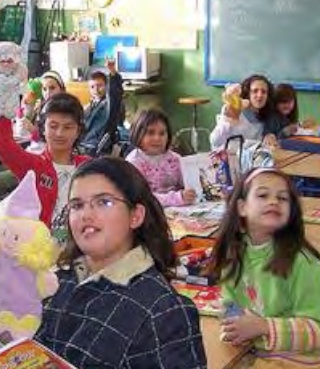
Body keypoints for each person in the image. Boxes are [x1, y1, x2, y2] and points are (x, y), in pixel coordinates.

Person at [34, 157, 207, 368]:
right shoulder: (63, 279)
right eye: (77, 205)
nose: (86, 214)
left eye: (103, 202)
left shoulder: (164, 311)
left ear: (136, 215)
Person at [208, 168, 320, 368]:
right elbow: (229, 302)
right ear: (242, 207)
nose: (274, 201)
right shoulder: (234, 256)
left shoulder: (303, 263)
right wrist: (234, 325)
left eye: (282, 198)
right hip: (256, 354)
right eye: (263, 195)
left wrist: (263, 327)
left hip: (299, 362)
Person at [0, 93, 90, 240]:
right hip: (40, 247)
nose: (59, 133)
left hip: (80, 243)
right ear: (42, 128)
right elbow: (3, 147)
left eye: (68, 127)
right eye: (53, 126)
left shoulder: (88, 166)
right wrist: (2, 103)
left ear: (78, 131)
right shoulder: (33, 166)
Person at [126, 109, 196, 207]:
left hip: (180, 210)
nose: (157, 138)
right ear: (138, 134)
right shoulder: (133, 162)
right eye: (150, 133)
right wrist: (177, 198)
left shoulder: (175, 158)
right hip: (150, 212)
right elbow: (142, 197)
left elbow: (189, 183)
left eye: (162, 133)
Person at [210, 75, 281, 151]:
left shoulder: (265, 115)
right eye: (255, 91)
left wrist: (269, 138)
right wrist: (228, 121)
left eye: (264, 92)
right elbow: (215, 141)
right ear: (248, 93)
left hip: (249, 159)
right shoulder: (233, 109)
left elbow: (259, 144)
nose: (260, 95)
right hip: (226, 158)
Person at [80, 61, 124, 153]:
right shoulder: (90, 105)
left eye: (100, 86)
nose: (96, 89)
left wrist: (113, 72)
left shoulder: (109, 103)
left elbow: (116, 93)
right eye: (92, 87)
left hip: (97, 146)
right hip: (84, 143)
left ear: (107, 86)